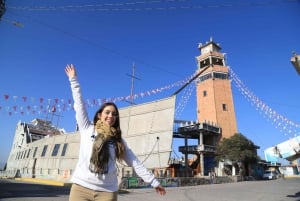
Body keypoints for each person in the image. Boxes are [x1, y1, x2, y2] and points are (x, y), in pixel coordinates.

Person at [65, 64, 166, 201]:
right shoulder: (87, 129)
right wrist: (73, 80)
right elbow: (79, 104)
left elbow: (135, 162)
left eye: (114, 114)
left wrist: (154, 182)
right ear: (100, 115)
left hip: (107, 192)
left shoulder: (118, 140)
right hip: (81, 188)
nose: (110, 116)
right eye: (107, 112)